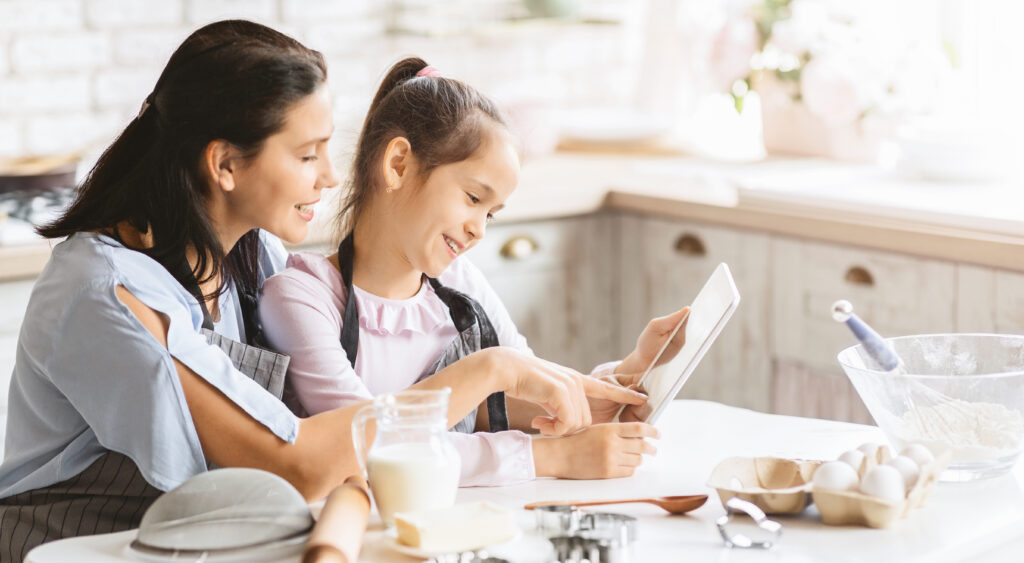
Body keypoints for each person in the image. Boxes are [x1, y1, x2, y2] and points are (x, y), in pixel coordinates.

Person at [0, 23, 637, 561]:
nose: (332, 177)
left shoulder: (256, 260)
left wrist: (606, 388)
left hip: (196, 534)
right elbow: (298, 460)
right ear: (224, 164)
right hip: (73, 543)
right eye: (308, 155)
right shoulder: (108, 294)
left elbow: (358, 410)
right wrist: (489, 373)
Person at [258, 57, 689, 487]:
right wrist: (549, 455)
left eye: (491, 214)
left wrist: (633, 374)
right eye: (472, 197)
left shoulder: (459, 286)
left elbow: (538, 401)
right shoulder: (301, 298)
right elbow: (368, 448)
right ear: (399, 165)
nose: (478, 229)